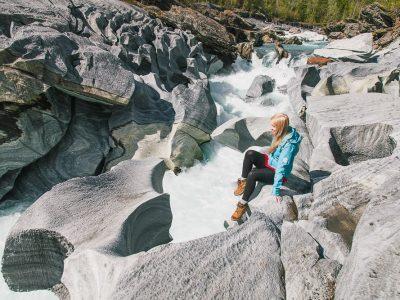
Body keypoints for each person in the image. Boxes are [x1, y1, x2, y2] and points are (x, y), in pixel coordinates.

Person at [231, 113, 302, 221]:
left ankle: (242, 204)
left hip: (278, 173)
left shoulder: (289, 146)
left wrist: (276, 190)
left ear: (280, 127)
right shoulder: (283, 132)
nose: (270, 128)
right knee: (250, 153)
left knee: (253, 174)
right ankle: (244, 182)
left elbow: (281, 168)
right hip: (271, 162)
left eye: (273, 127)